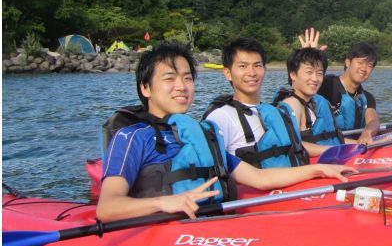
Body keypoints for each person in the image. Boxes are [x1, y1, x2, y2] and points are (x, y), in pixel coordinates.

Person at [96, 42, 353, 222]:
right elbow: (107, 207)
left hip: (207, 225)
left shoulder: (203, 136)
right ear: (146, 88)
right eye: (170, 78)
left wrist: (318, 169)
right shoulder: (132, 138)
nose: (181, 86)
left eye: (187, 78)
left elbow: (257, 178)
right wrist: (162, 203)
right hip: (161, 232)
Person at [203, 37, 307, 168]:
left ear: (265, 69)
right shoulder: (221, 117)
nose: (252, 73)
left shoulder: (274, 112)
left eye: (257, 65)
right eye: (243, 66)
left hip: (291, 184)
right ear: (228, 73)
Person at [276, 47, 354, 158]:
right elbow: (293, 144)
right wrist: (336, 150)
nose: (315, 78)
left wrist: (362, 143)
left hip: (327, 158)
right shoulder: (292, 104)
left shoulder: (312, 102)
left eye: (319, 73)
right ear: (293, 74)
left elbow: (330, 138)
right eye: (309, 72)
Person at [318, 42, 381, 145]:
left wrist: (367, 132)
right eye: (360, 63)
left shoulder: (367, 97)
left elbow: (373, 121)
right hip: (329, 144)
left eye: (369, 65)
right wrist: (308, 58)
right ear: (348, 62)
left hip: (356, 144)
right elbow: (303, 85)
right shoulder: (326, 84)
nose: (364, 69)